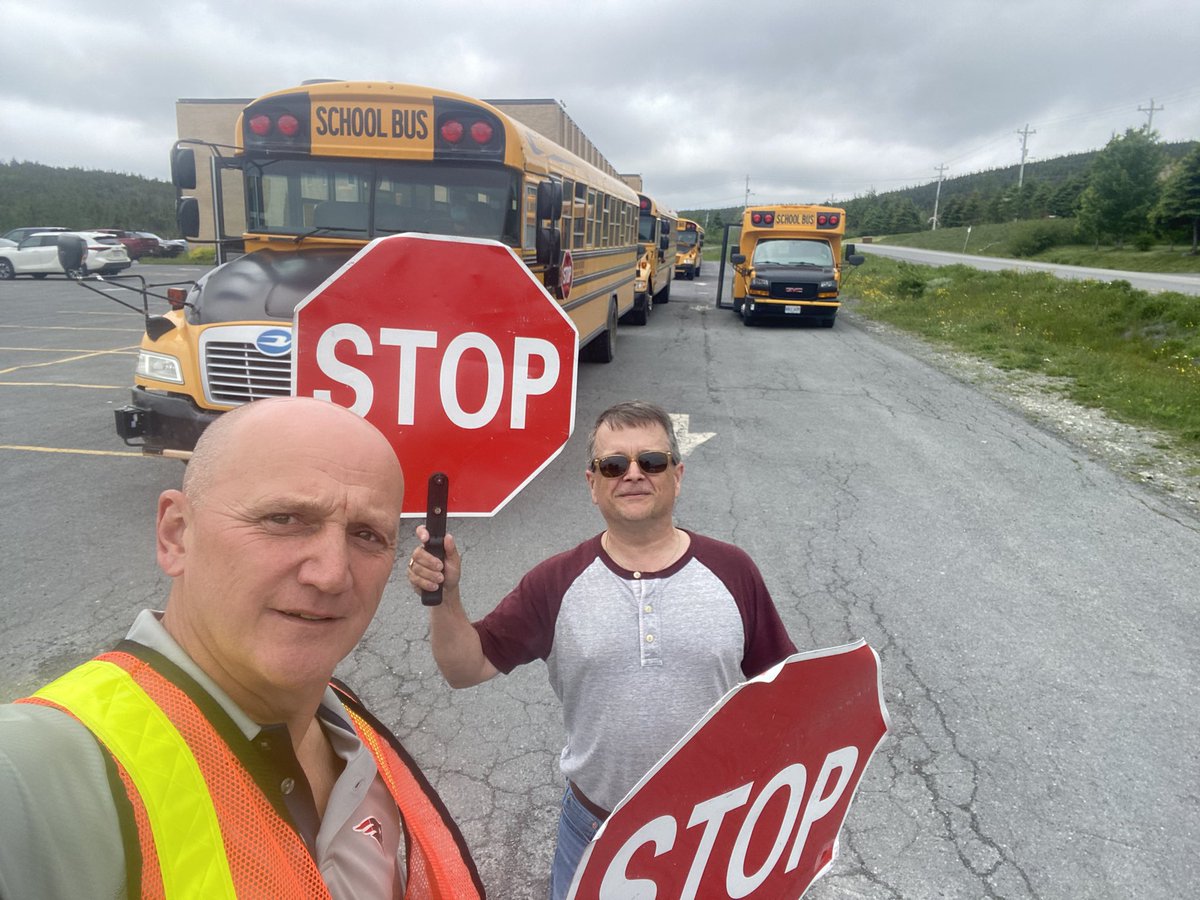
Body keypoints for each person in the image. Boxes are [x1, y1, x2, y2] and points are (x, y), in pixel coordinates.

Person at [0, 397, 483, 900]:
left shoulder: (352, 733)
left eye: (367, 535)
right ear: (176, 534)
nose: (332, 574)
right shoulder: (41, 774)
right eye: (284, 519)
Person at [407, 399, 796, 899]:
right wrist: (446, 597)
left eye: (651, 462)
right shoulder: (555, 582)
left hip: (715, 830)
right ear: (592, 485)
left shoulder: (733, 570)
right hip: (595, 832)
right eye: (613, 465)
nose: (633, 474)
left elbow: (789, 695)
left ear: (677, 475)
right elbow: (466, 668)